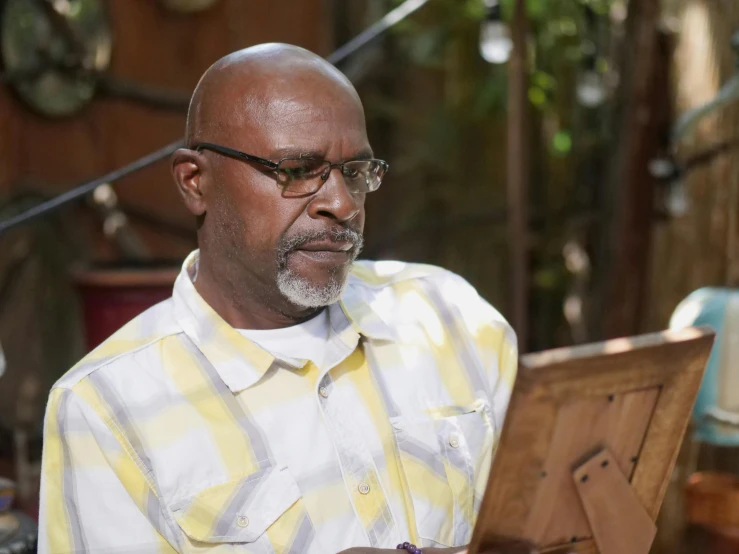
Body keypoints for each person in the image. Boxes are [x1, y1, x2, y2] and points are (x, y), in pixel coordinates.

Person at [38, 44, 522, 554]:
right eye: (295, 171)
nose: (340, 203)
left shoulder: (449, 317)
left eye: (355, 172)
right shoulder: (107, 407)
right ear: (194, 182)